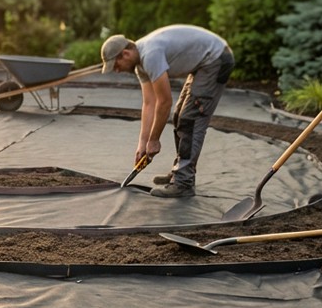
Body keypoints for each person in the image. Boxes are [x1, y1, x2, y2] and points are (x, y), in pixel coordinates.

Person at [100, 24, 235, 198]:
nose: (117, 70)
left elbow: (164, 102)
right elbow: (149, 103)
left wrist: (154, 140)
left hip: (216, 59)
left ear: (125, 54)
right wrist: (143, 143)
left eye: (116, 65)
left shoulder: (150, 55)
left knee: (190, 120)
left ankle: (184, 183)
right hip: (204, 63)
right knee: (179, 116)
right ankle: (180, 172)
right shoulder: (141, 65)